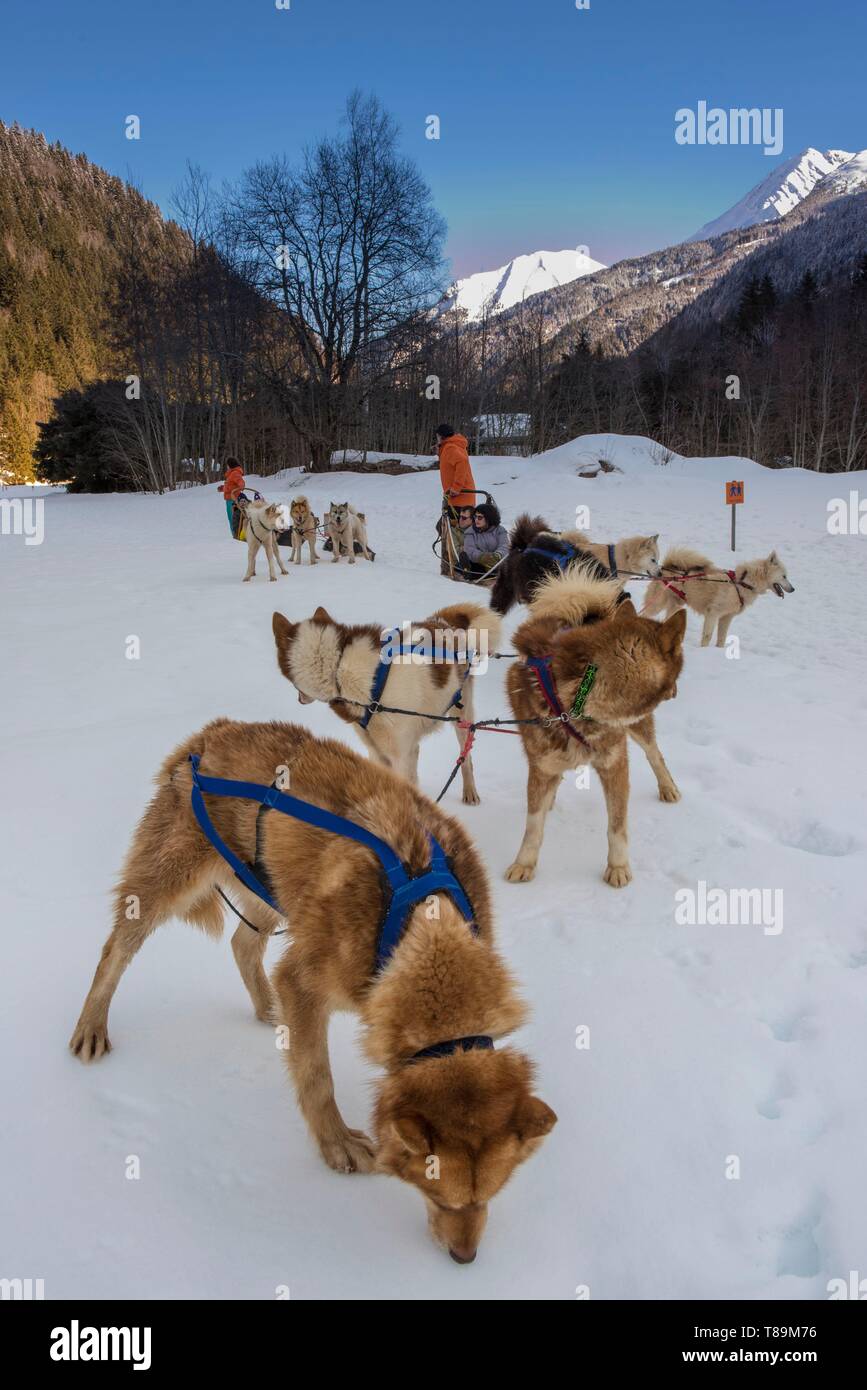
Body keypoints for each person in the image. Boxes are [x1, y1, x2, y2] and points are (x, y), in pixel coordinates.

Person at [460, 501, 510, 575]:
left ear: (489, 518)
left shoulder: (500, 530)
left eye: (480, 517)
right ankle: (468, 573)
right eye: (475, 517)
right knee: (464, 556)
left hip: (497, 563)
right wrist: (482, 557)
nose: (476, 520)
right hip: (478, 565)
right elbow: (470, 550)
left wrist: (497, 555)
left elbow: (504, 545)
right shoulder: (470, 532)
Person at [436, 424, 476, 512]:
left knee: (447, 525)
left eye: (437, 436)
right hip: (462, 497)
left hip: (460, 498)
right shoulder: (455, 445)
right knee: (444, 525)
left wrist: (456, 488)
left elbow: (462, 462)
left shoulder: (450, 447)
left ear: (441, 436)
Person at [218, 456, 246, 535]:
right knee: (231, 518)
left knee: (232, 518)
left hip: (233, 500)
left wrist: (241, 486)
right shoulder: (231, 474)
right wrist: (222, 488)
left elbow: (241, 482)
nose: (226, 467)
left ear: (230, 465)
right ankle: (235, 534)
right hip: (229, 499)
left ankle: (236, 535)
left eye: (227, 465)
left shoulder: (235, 473)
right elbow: (231, 486)